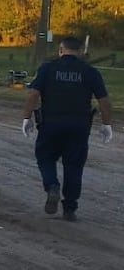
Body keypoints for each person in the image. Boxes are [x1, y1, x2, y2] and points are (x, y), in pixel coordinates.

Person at [21, 35, 113, 221]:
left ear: (61, 50)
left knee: (45, 157)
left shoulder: (48, 68)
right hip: (79, 126)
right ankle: (70, 208)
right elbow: (104, 100)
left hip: (51, 124)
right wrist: (106, 124)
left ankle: (52, 186)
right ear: (79, 52)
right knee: (74, 165)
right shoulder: (90, 72)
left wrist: (26, 117)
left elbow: (32, 94)